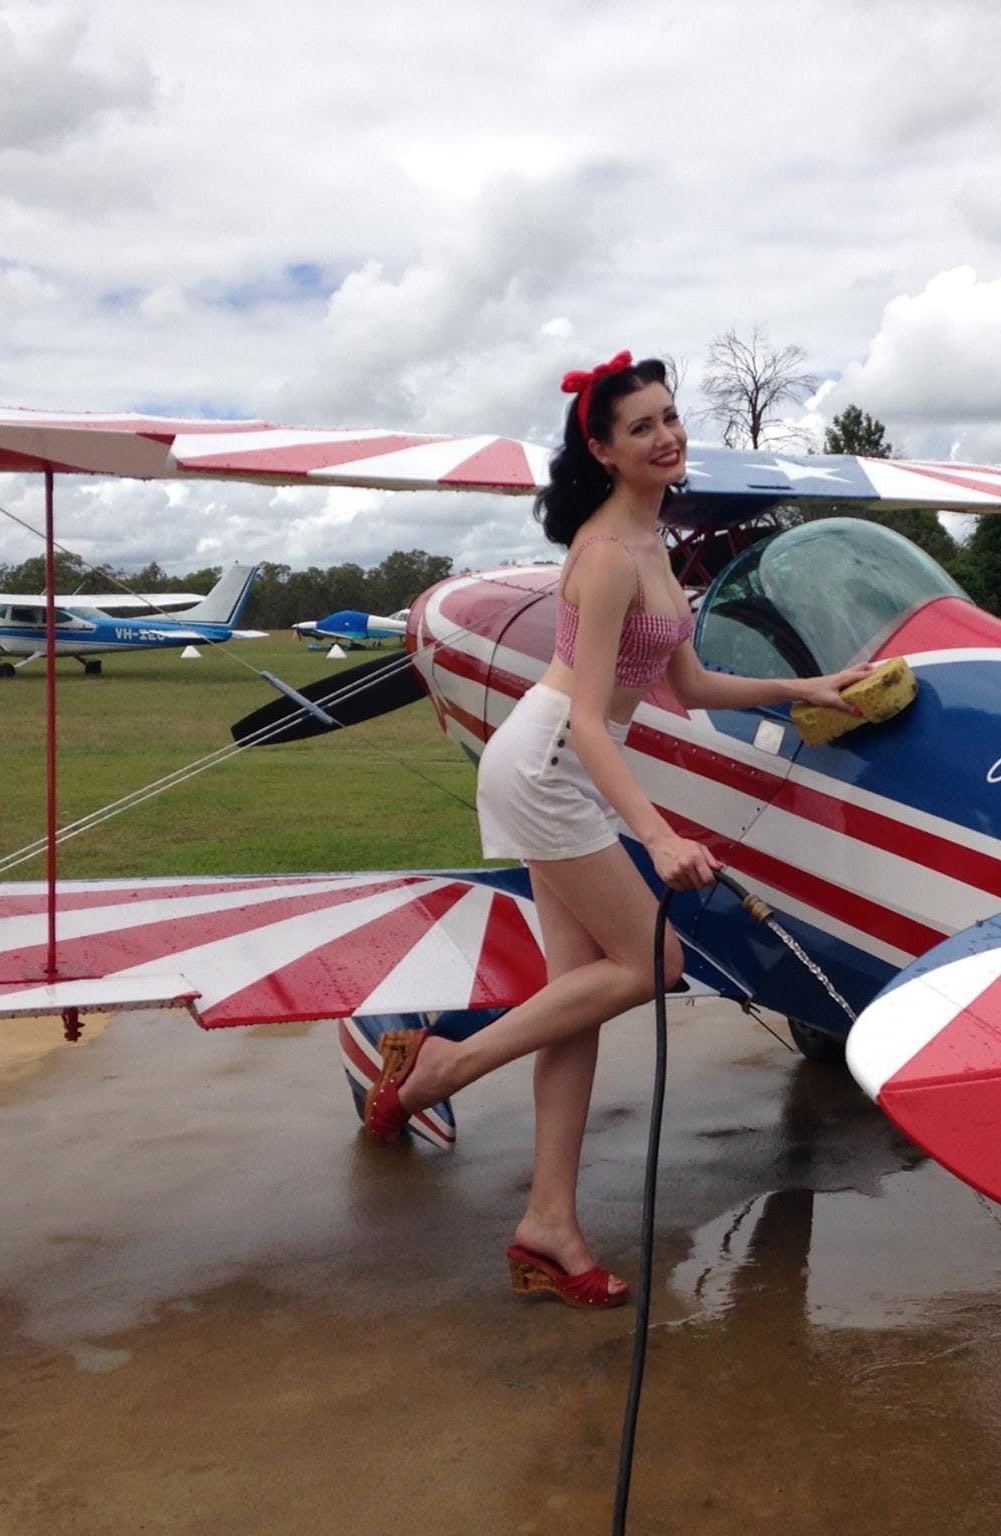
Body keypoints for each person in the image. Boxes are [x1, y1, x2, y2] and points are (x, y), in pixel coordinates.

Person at [362, 351, 873, 1309]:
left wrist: (801, 687)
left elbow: (684, 688)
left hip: (568, 768)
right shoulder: (604, 556)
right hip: (554, 764)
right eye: (640, 427)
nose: (666, 437)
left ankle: (545, 1226)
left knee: (580, 999)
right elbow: (593, 719)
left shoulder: (657, 545)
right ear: (601, 450)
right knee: (653, 966)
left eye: (670, 418)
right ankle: (442, 1067)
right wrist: (661, 835)